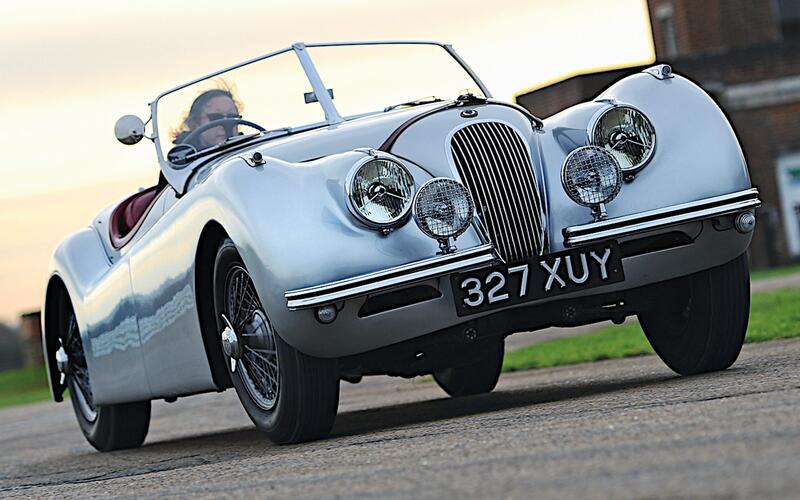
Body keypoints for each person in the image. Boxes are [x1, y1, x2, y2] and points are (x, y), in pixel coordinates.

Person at [172, 88, 242, 150]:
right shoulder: (183, 163)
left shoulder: (250, 152)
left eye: (232, 117)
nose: (225, 123)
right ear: (194, 125)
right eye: (216, 118)